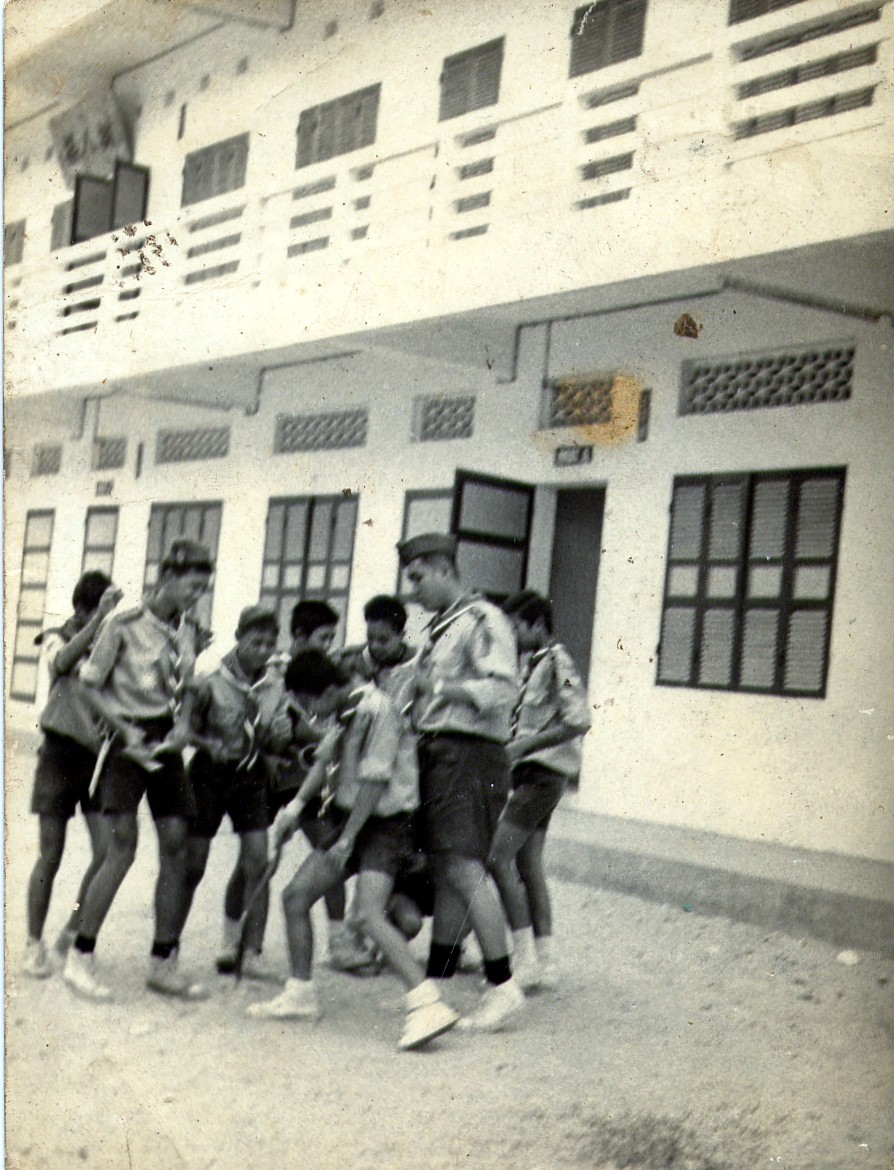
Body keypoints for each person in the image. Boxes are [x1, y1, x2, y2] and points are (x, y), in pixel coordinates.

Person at [247, 651, 459, 1051]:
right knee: (296, 897)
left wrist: (347, 839)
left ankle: (427, 1003)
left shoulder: (378, 710)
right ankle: (300, 994)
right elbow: (324, 763)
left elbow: (376, 780)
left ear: (328, 690)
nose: (309, 713)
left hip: (385, 826)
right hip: (351, 820)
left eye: (309, 703)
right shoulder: (344, 712)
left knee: (366, 914)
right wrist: (295, 808)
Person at [62, 538, 213, 1002]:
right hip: (125, 740)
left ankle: (163, 963)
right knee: (122, 848)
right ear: (166, 577)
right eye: (190, 587)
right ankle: (80, 957)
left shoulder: (187, 629)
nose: (195, 596)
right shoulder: (122, 624)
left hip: (165, 740)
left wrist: (184, 726)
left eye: (201, 589)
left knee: (177, 846)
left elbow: (188, 686)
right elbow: (88, 686)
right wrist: (124, 730)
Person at [397, 532, 525, 1033]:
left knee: (464, 867)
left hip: (470, 753)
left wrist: (438, 686)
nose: (412, 590)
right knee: (447, 867)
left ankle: (503, 986)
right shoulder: (442, 626)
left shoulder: (482, 620)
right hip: (441, 751)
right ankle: (439, 981)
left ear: (445, 570)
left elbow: (502, 689)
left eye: (418, 577)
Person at [488, 592, 591, 989]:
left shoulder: (558, 662)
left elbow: (578, 720)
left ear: (536, 625)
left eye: (516, 627)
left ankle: (524, 959)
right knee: (528, 863)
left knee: (498, 858)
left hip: (544, 774)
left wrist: (526, 746)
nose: (512, 636)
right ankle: (545, 963)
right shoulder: (531, 664)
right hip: (529, 772)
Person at [24, 571, 123, 978]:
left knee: (106, 851)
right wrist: (99, 621)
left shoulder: (111, 643)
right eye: (97, 612)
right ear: (81, 610)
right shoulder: (56, 636)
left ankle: (71, 930)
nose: (104, 620)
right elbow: (61, 662)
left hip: (96, 760)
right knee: (51, 853)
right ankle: (33, 943)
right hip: (58, 755)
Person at [175, 604, 281, 980]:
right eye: (256, 642)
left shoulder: (275, 684)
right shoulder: (210, 679)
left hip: (250, 777)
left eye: (269, 644)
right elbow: (185, 729)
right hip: (208, 775)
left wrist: (276, 741)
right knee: (193, 866)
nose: (263, 651)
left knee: (258, 862)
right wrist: (208, 743)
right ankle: (168, 945)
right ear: (238, 638)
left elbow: (274, 733)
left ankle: (244, 949)